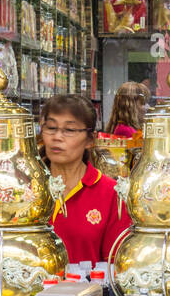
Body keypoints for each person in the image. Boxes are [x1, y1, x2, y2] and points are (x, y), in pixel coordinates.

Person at [40, 94, 132, 267]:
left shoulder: (111, 193)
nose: (57, 137)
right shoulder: (27, 188)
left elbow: (116, 266)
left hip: (88, 292)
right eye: (51, 127)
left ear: (90, 140)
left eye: (69, 130)